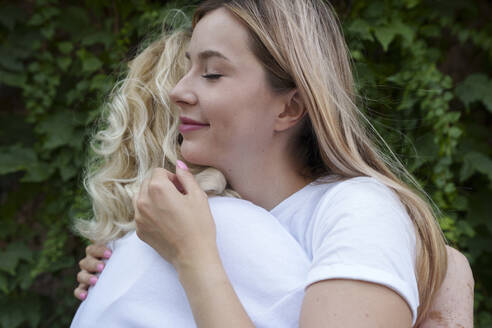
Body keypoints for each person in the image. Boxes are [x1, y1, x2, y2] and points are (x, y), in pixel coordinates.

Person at [71, 0, 474, 327]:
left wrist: (193, 258)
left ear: (290, 107)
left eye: (211, 74)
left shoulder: (358, 210)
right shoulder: (205, 217)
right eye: (187, 68)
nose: (178, 91)